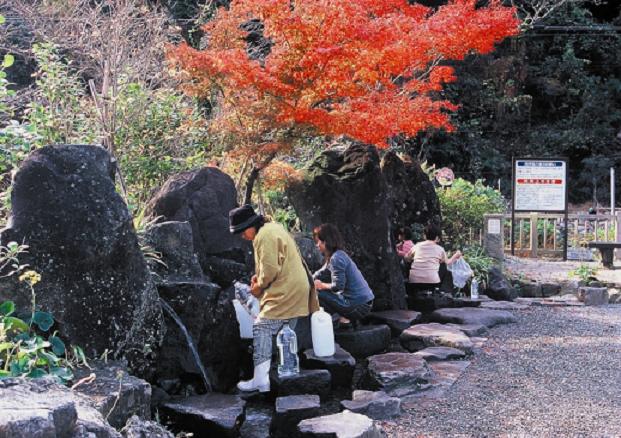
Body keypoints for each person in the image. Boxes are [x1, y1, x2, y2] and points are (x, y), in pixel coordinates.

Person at [229, 204, 319, 393]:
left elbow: (270, 270)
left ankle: (261, 380)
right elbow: (275, 262)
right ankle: (286, 374)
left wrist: (258, 286)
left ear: (251, 225)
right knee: (285, 331)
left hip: (286, 290)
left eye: (242, 231)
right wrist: (259, 277)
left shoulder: (263, 236)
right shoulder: (273, 227)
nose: (242, 236)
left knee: (261, 327)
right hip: (297, 286)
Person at [312, 223, 374, 327]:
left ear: (326, 241)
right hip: (363, 303)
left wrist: (321, 285)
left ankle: (341, 320)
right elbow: (321, 272)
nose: (317, 245)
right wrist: (309, 279)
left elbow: (338, 286)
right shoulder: (337, 255)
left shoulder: (336, 258)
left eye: (318, 242)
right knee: (319, 290)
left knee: (317, 293)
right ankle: (344, 319)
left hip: (359, 306)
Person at [404, 223, 462, 292]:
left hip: (414, 281)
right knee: (443, 266)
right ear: (437, 237)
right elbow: (448, 262)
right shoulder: (440, 249)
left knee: (410, 262)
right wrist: (456, 255)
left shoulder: (417, 246)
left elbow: (406, 258)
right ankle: (443, 291)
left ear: (424, 236)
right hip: (432, 282)